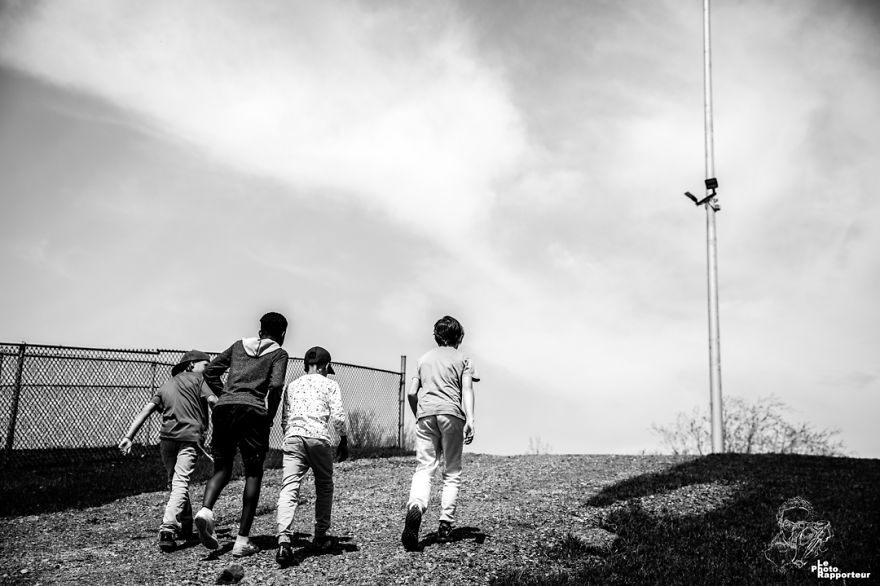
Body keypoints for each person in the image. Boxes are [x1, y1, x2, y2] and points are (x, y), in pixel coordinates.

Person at [193, 311, 290, 558]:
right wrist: (269, 415)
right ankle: (242, 541)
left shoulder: (238, 345)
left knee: (222, 468)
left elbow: (210, 371)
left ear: (260, 330)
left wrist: (226, 394)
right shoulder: (279, 353)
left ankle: (205, 510)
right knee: (253, 472)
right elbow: (276, 385)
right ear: (282, 333)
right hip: (253, 412)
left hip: (224, 409)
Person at [118, 349, 216, 552]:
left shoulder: (166, 385)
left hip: (167, 440)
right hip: (189, 438)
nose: (208, 369)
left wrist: (129, 437)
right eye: (206, 365)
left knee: (175, 482)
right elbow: (213, 401)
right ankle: (168, 529)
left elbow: (147, 409)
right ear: (191, 365)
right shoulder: (199, 380)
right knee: (180, 483)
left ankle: (186, 524)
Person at [401, 315, 478, 551]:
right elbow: (467, 389)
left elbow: (412, 393)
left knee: (424, 468)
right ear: (459, 337)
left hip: (425, 414)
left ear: (436, 336)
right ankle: (445, 525)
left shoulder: (423, 359)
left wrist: (419, 414)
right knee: (452, 471)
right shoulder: (464, 359)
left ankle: (416, 506)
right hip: (451, 414)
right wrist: (470, 419)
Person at [275, 346, 349, 567]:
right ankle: (320, 535)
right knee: (324, 485)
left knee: (289, 487)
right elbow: (337, 416)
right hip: (318, 438)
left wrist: (290, 435)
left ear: (306, 365)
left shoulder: (292, 386)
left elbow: (285, 418)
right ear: (326, 366)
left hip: (293, 437)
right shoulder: (330, 384)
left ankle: (284, 540)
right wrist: (343, 439)